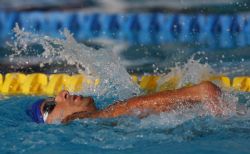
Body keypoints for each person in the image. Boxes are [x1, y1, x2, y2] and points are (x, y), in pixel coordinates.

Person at [27, 81, 223, 124]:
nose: (62, 93)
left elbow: (204, 91)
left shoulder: (112, 112)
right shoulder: (111, 113)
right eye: (50, 107)